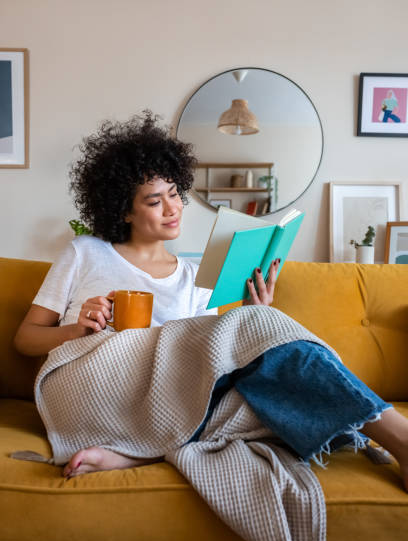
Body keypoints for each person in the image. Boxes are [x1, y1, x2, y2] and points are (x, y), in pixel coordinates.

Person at [14, 112, 408, 492]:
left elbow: (204, 369)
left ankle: (139, 452)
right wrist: (76, 330)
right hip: (89, 384)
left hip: (161, 401)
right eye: (154, 201)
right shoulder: (85, 252)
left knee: (264, 389)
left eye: (174, 194)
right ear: (124, 210)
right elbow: (25, 339)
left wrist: (257, 313)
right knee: (263, 355)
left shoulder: (196, 274)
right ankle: (401, 438)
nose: (172, 209)